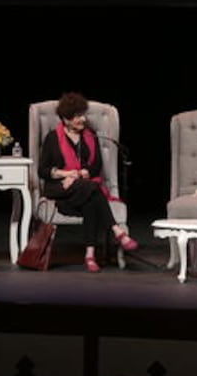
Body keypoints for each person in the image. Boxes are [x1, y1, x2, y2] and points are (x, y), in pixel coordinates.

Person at [37, 91, 138, 272]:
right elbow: (43, 170)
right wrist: (66, 174)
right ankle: (117, 231)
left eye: (83, 115)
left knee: (91, 200)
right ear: (66, 119)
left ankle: (89, 255)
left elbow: (96, 166)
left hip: (82, 190)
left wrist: (81, 174)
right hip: (59, 190)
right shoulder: (52, 138)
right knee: (93, 187)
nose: (82, 119)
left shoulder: (90, 136)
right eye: (77, 116)